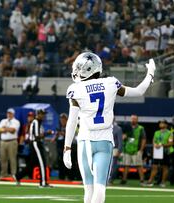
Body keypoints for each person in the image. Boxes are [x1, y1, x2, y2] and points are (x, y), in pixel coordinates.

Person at [63, 52, 155, 203]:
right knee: (100, 188)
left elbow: (72, 121)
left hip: (85, 141)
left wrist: (67, 147)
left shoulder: (76, 89)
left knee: (89, 189)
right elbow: (138, 91)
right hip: (105, 142)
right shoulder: (111, 83)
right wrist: (150, 74)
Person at [19, 109, 51, 187]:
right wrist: (47, 133)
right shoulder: (36, 122)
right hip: (36, 143)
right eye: (42, 114)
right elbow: (36, 136)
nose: (43, 116)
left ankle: (18, 176)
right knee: (42, 162)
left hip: (35, 143)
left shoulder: (38, 122)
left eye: (44, 114)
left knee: (33, 163)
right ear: (38, 114)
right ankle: (43, 183)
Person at [146, 119, 174, 187]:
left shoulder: (170, 133)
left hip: (165, 152)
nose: (161, 124)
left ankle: (163, 182)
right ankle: (150, 181)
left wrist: (162, 145)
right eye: (160, 123)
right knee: (154, 166)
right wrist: (155, 145)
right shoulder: (156, 132)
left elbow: (170, 143)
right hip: (157, 152)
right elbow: (154, 141)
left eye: (163, 123)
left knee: (165, 167)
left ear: (166, 125)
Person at [121, 114, 146, 185]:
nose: (133, 120)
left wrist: (141, 149)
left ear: (137, 120)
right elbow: (123, 136)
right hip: (127, 149)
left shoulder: (141, 128)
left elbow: (144, 139)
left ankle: (142, 180)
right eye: (132, 119)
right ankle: (124, 180)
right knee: (126, 165)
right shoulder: (127, 127)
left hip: (136, 150)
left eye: (135, 119)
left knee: (139, 165)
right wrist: (124, 136)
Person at [0, 108, 20, 179]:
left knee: (12, 159)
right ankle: (4, 174)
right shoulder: (3, 121)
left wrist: (5, 129)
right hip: (3, 141)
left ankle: (14, 174)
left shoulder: (16, 121)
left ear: (13, 114)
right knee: (3, 159)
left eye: (10, 113)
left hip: (12, 141)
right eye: (8, 113)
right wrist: (7, 129)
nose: (9, 114)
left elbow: (13, 130)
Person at [51, 113, 68, 180]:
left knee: (66, 161)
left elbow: (70, 136)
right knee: (60, 161)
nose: (62, 121)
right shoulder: (59, 127)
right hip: (59, 146)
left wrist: (61, 133)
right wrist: (56, 136)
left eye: (64, 119)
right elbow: (53, 139)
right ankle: (61, 177)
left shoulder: (69, 127)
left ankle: (69, 176)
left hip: (66, 146)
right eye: (61, 119)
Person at [108, 119, 123, 184]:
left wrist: (119, 150)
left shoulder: (118, 129)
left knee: (113, 165)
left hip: (114, 149)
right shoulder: (104, 128)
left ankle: (111, 179)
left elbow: (120, 141)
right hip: (105, 148)